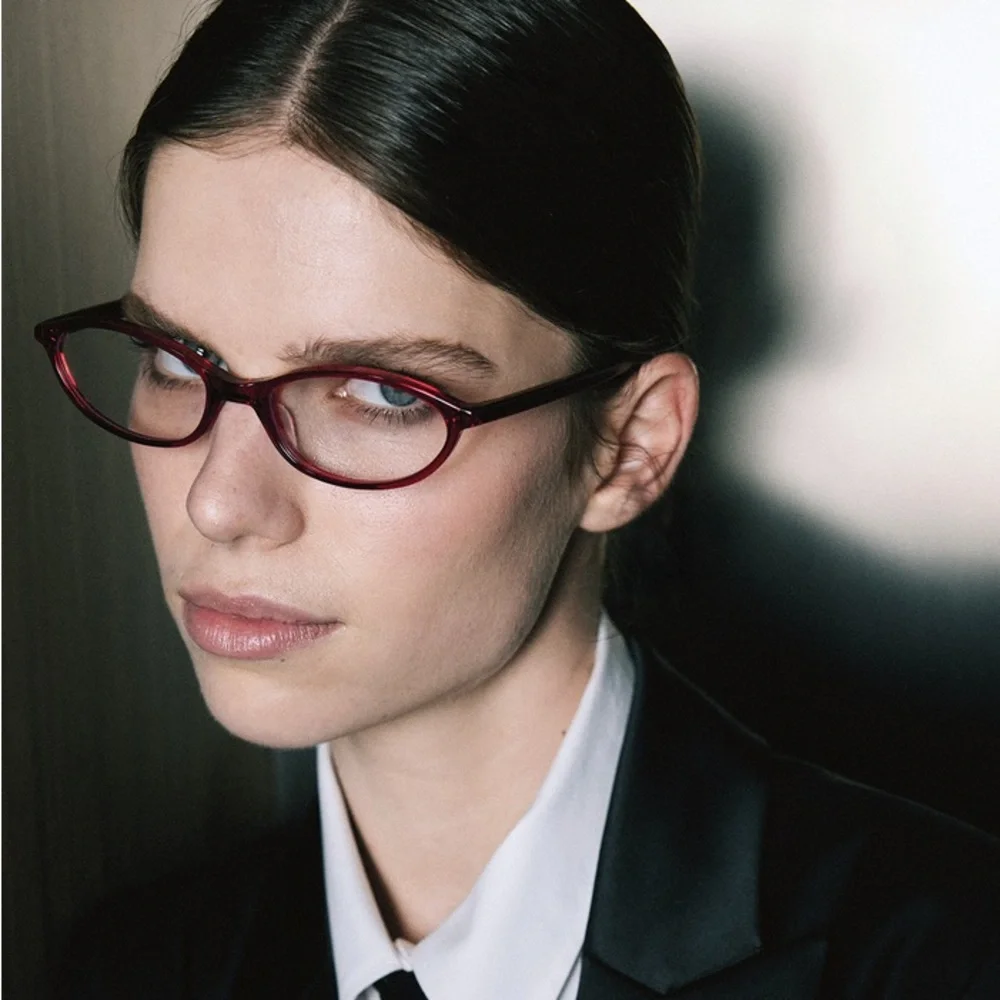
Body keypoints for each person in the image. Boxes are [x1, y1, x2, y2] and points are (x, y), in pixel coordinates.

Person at [37, 0, 999, 997]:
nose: (219, 502)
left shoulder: (951, 962)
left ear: (630, 446)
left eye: (383, 394)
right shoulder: (131, 969)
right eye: (175, 360)